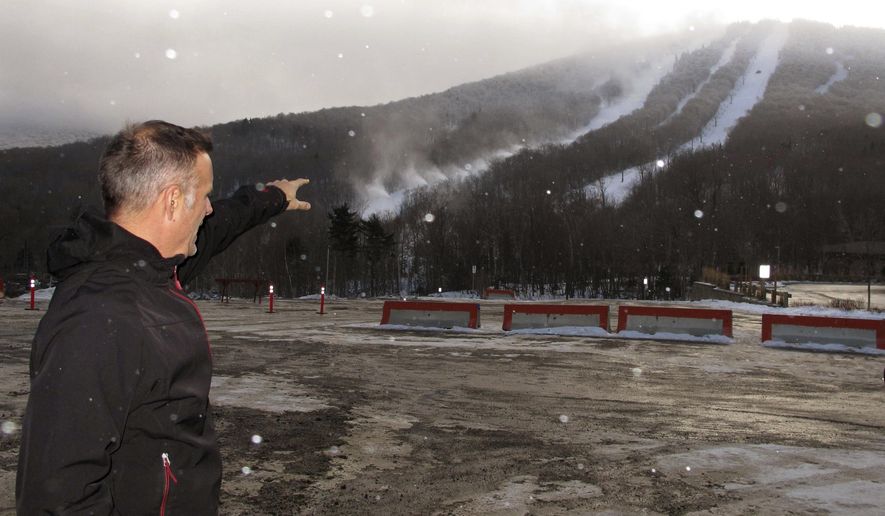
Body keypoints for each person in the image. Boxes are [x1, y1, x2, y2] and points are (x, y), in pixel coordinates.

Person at [15, 120, 311, 514]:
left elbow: (218, 225)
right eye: (204, 195)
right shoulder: (101, 316)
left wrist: (272, 198)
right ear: (172, 201)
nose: (208, 207)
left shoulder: (147, 270)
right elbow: (57, 493)